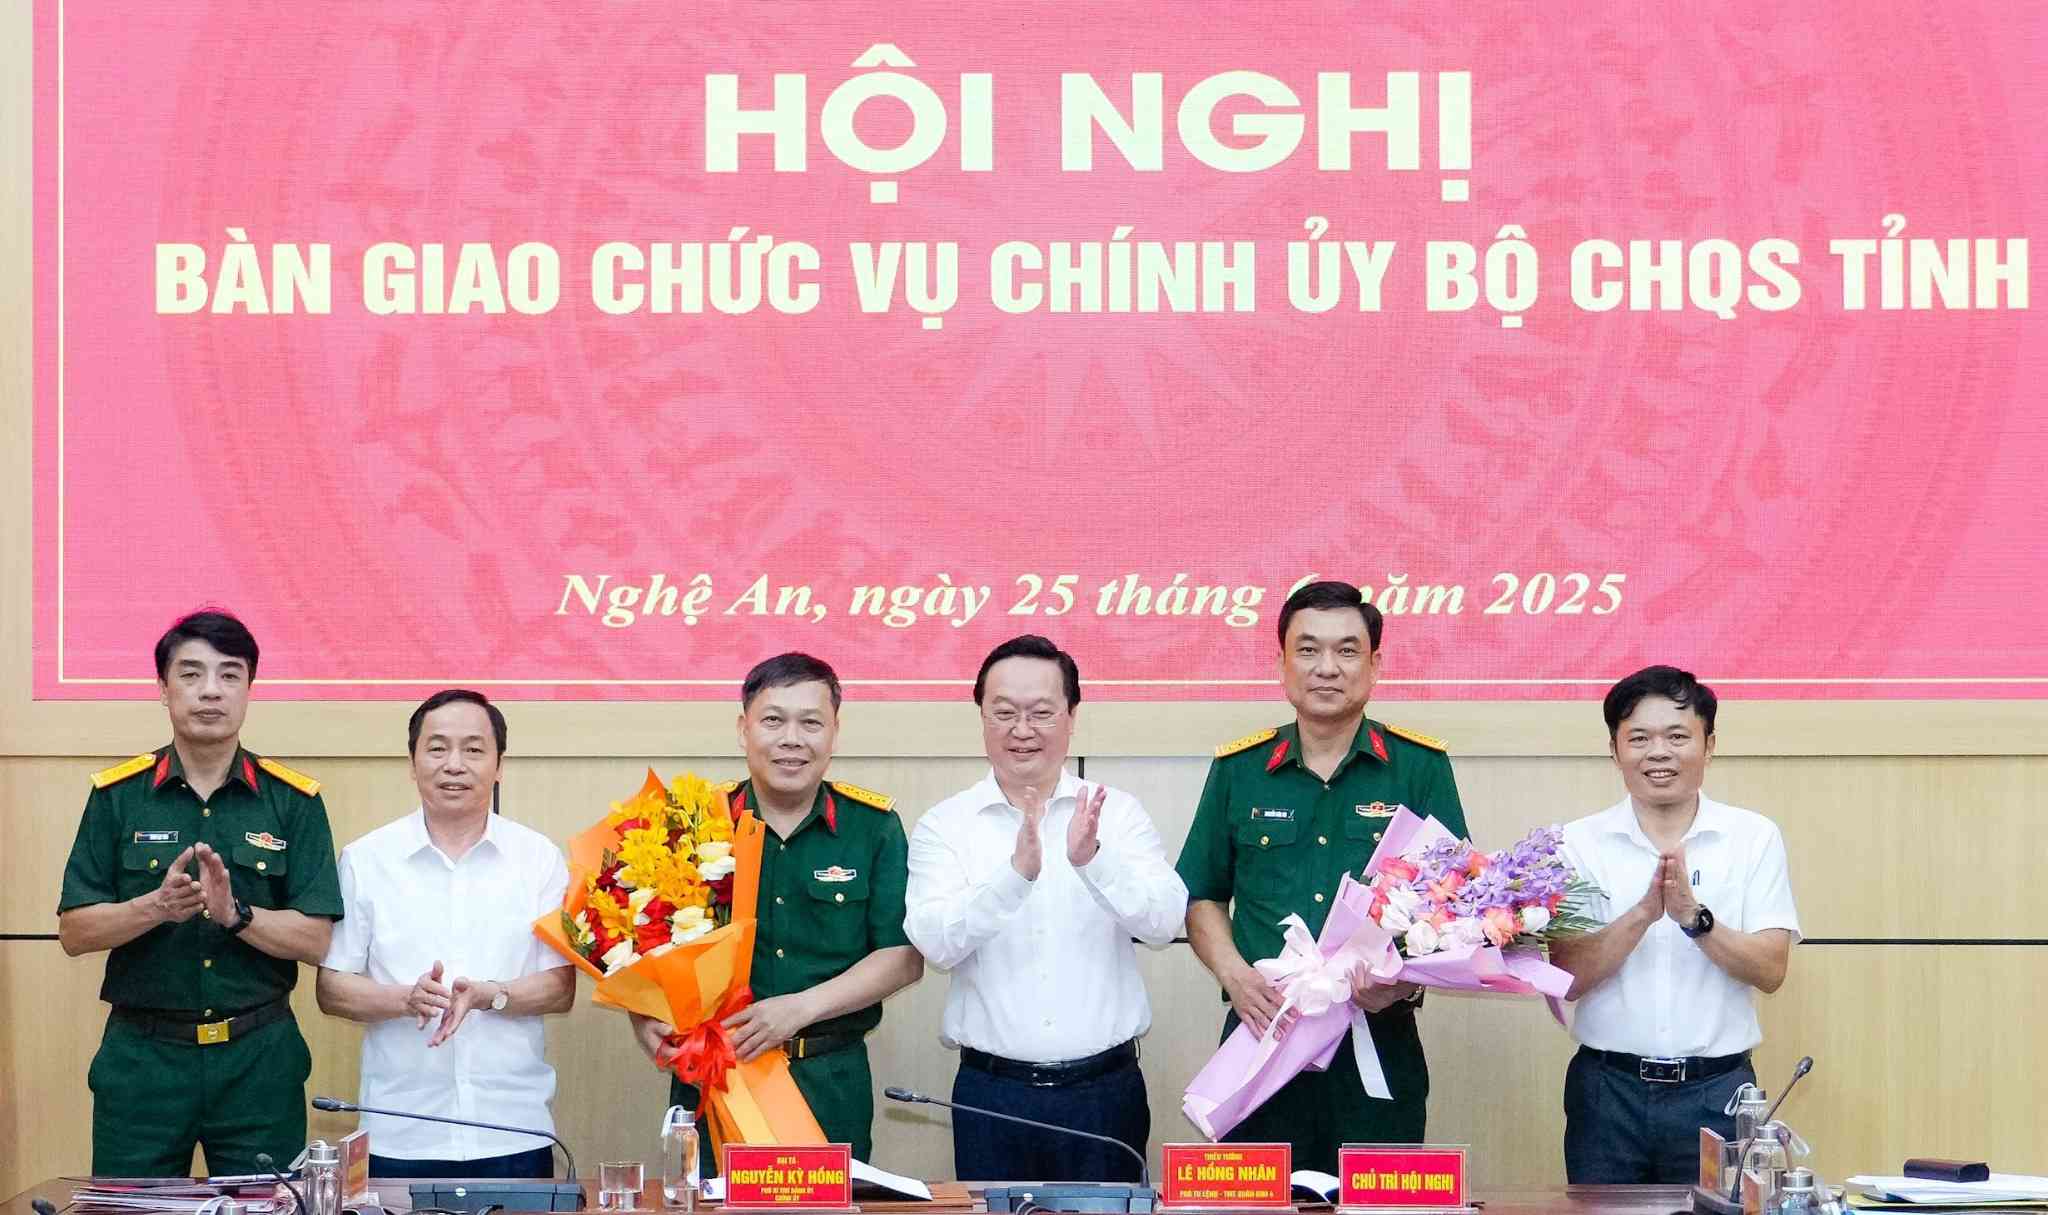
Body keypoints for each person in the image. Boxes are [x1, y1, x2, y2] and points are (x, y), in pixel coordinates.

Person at [1175, 580, 1469, 1170]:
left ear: (1375, 665)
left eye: (1346, 650)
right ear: (1281, 664)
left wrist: (1403, 983)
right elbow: (1201, 893)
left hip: (1377, 1038)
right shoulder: (1239, 769)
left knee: (1378, 1203)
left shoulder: (1419, 767)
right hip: (1263, 1035)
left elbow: (1453, 903)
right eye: (1307, 650)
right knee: (1257, 1204)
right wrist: (1234, 975)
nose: (1326, 667)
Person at [56, 610, 343, 1176]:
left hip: (258, 1062)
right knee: (130, 1211)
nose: (211, 690)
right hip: (143, 1062)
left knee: (267, 1209)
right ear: (163, 689)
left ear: (249, 689)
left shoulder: (293, 801)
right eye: (191, 674)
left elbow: (316, 940)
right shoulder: (117, 796)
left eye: (229, 674)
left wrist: (237, 915)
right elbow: (74, 931)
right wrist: (154, 907)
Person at [905, 635, 1187, 1183]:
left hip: (1104, 1094)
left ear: (1071, 717)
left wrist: (1094, 859)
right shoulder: (945, 824)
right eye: (1004, 712)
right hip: (992, 1095)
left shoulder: (1116, 813)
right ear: (981, 717)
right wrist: (1014, 877)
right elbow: (935, 944)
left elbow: (1164, 922)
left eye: (1040, 712)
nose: (1022, 730)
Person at [629, 653, 922, 1165]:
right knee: (714, 1202)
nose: (791, 739)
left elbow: (900, 957)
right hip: (716, 1079)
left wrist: (799, 1009)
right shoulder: (692, 824)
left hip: (829, 1083)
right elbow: (642, 942)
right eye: (772, 720)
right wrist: (641, 1013)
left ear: (835, 732)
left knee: (827, 1204)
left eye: (811, 723)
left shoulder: (873, 827)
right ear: (743, 729)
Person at [1549, 665, 1799, 1183]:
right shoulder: (1576, 843)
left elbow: (1771, 970)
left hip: (1719, 1093)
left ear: (1709, 746)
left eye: (1678, 737)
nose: (1658, 752)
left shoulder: (1752, 837)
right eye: (1639, 738)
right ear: (1614, 750)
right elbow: (1567, 979)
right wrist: (1644, 914)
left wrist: (1695, 920)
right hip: (1607, 1092)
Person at [316, 689, 577, 1178]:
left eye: (473, 749)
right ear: (412, 763)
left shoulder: (538, 858)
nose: (454, 764)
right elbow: (332, 989)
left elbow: (560, 987)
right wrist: (405, 999)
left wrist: (488, 995)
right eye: (437, 748)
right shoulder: (366, 860)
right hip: (400, 1130)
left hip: (512, 1127)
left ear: (499, 766)